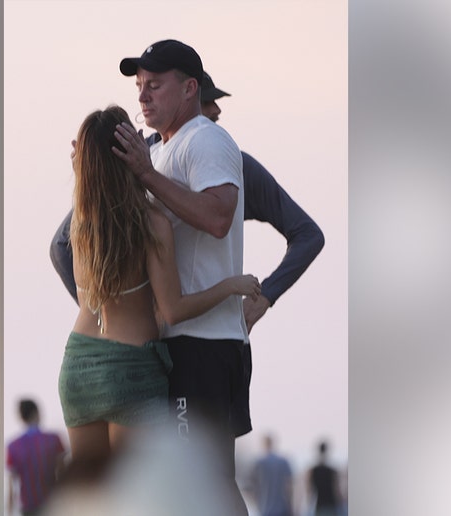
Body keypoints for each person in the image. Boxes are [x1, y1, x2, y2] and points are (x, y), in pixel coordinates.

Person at [50, 71, 325, 438]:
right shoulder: (135, 158)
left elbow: (307, 234)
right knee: (180, 482)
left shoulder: (232, 165)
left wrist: (267, 296)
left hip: (195, 347)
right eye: (207, 113)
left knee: (190, 479)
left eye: (213, 119)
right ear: (189, 101)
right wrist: (111, 305)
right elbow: (64, 244)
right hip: (153, 351)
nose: (210, 123)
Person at [57, 105, 261, 465]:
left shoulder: (80, 224)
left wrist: (84, 170)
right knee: (139, 496)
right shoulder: (150, 222)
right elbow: (174, 309)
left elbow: (92, 192)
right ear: (129, 154)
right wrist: (230, 285)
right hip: (131, 368)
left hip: (78, 366)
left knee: (91, 496)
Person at [109, 39, 249, 513]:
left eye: (155, 86)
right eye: (139, 87)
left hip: (203, 342)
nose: (144, 97)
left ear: (190, 88)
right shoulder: (164, 150)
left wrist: (146, 176)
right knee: (201, 483)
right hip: (182, 340)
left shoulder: (205, 140)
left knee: (203, 483)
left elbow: (217, 217)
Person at [6, 399, 66, 516]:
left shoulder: (13, 446)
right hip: (51, 505)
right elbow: (63, 474)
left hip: (28, 507)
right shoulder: (53, 439)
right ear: (37, 413)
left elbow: (12, 488)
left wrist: (9, 512)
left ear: (22, 417)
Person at [249, 434, 294, 516]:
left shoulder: (259, 463)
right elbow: (289, 486)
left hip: (265, 508)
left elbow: (252, 486)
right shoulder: (283, 461)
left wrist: (256, 502)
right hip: (282, 508)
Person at [308, 440, 343, 516]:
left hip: (319, 504)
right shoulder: (332, 470)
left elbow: (310, 491)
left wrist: (309, 505)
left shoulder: (313, 470)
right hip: (331, 504)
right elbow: (337, 490)